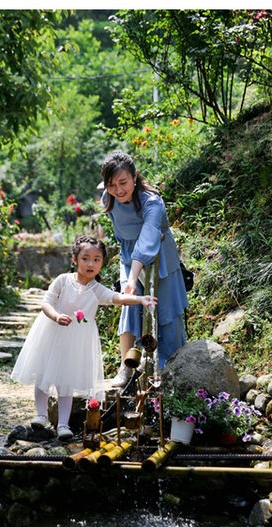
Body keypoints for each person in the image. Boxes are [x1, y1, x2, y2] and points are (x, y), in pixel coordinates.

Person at [11, 235, 156, 439]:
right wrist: (55, 315)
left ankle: (63, 424)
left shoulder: (96, 290)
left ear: (101, 263)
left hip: (76, 341)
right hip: (52, 333)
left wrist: (140, 299)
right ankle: (41, 415)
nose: (91, 263)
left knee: (66, 381)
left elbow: (118, 298)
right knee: (43, 374)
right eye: (85, 258)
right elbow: (46, 303)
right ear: (75, 259)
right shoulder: (63, 280)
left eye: (96, 259)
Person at [98, 151, 189, 386]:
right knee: (130, 307)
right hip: (129, 258)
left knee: (167, 312)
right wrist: (129, 277)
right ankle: (126, 369)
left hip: (160, 257)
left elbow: (147, 239)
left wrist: (133, 276)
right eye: (111, 185)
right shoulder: (107, 199)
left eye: (123, 183)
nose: (118, 190)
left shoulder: (151, 202)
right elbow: (124, 237)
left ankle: (170, 371)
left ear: (135, 177)